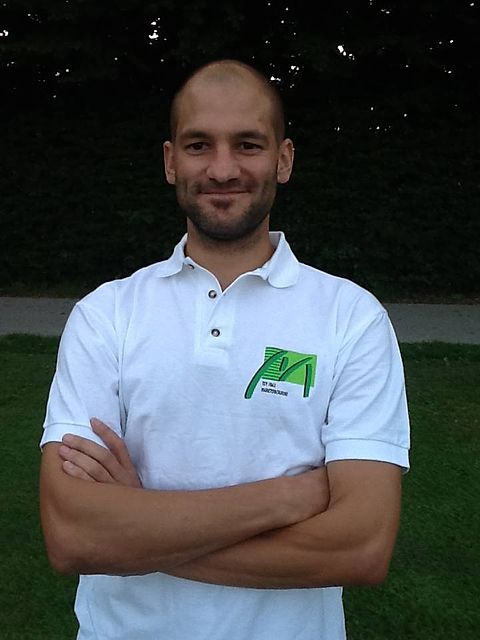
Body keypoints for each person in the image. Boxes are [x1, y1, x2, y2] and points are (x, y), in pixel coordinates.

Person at [39, 59, 410, 640]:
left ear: (283, 159)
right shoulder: (105, 315)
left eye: (247, 145)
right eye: (198, 145)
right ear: (170, 162)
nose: (222, 168)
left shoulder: (351, 318)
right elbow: (72, 536)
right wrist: (289, 497)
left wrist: (137, 529)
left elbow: (360, 546)